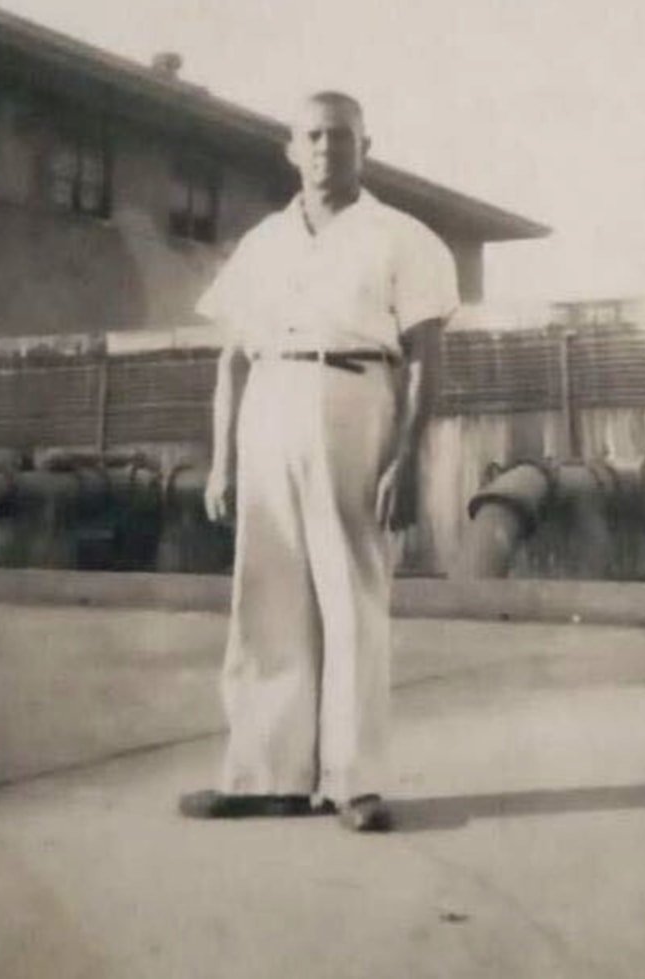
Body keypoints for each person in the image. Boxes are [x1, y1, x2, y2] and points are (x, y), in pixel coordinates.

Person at [180, 91, 460, 831]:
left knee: (351, 590)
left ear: (367, 145)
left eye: (341, 136)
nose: (326, 148)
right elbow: (231, 363)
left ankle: (355, 782)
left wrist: (408, 456)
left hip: (355, 395)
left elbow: (429, 360)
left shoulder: (403, 237)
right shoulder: (262, 242)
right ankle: (264, 773)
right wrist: (222, 461)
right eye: (312, 135)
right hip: (270, 399)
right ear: (289, 148)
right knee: (266, 589)